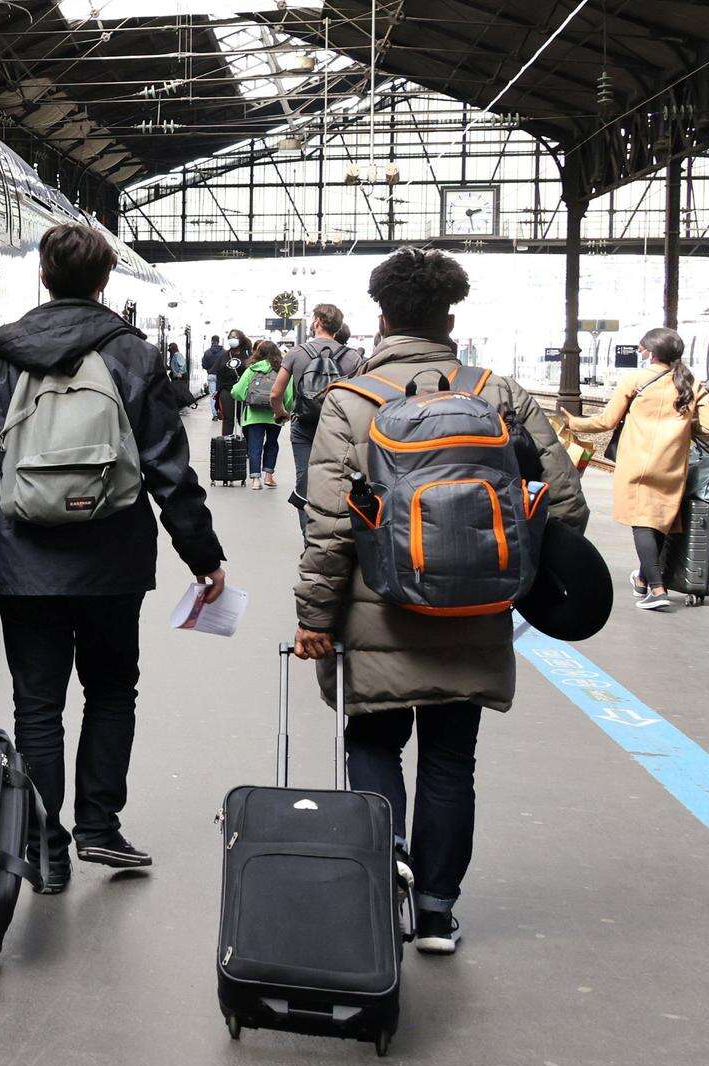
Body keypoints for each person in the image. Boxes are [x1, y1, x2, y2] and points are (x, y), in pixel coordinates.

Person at [293, 247, 589, 954]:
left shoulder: (351, 403)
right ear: (449, 316)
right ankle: (436, 912)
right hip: (474, 614)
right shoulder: (498, 394)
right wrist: (499, 567)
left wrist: (313, 617)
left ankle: (383, 866)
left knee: (373, 744)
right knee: (452, 763)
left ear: (383, 316)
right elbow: (566, 507)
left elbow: (329, 525)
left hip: (376, 611)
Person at [0, 222, 227, 890]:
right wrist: (203, 555)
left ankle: (45, 851)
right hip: (112, 559)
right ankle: (100, 829)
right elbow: (168, 468)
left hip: (22, 559)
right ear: (104, 281)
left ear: (44, 276)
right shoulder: (132, 355)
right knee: (110, 691)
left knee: (36, 705)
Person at [561, 326, 709, 611]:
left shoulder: (635, 379)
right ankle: (643, 581)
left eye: (642, 347)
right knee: (657, 520)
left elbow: (606, 421)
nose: (639, 351)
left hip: (636, 463)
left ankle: (658, 589)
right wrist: (684, 423)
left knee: (643, 523)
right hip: (672, 464)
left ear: (651, 352)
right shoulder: (690, 382)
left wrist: (574, 423)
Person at [274, 303, 360, 527]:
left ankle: (308, 536)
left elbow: (275, 393)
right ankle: (334, 529)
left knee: (305, 479)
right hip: (339, 428)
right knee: (339, 478)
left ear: (317, 322)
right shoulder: (353, 357)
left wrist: (281, 413)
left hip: (304, 425)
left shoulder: (297, 353)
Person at [232, 339, 285, 488]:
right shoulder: (281, 370)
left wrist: (247, 397)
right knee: (272, 444)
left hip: (254, 415)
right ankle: (269, 476)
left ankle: (255, 480)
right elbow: (288, 394)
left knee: (255, 446)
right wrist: (284, 410)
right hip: (275, 414)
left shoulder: (252, 369)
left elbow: (237, 392)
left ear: (258, 353)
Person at [200, 334, 232, 433]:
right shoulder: (224, 353)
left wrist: (210, 369)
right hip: (221, 376)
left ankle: (214, 415)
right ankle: (221, 412)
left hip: (211, 375)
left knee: (212, 395)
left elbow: (204, 365)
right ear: (219, 341)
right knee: (221, 394)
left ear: (212, 341)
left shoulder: (207, 353)